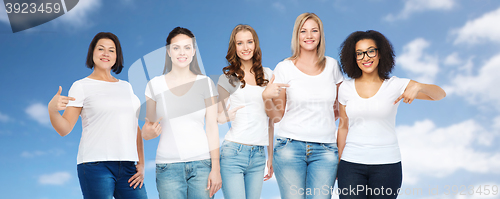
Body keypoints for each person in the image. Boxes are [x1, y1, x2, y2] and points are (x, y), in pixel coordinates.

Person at [337, 30, 446, 199]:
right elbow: (343, 127)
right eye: (359, 53)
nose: (365, 57)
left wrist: (419, 86)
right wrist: (339, 161)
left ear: (380, 53)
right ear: (353, 58)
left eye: (370, 51)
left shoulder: (395, 85)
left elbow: (440, 95)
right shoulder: (345, 87)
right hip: (351, 165)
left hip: (387, 166)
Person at [47, 32, 147, 199]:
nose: (106, 53)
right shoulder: (81, 86)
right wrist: (52, 110)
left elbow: (134, 127)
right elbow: (64, 128)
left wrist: (141, 164)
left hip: (129, 167)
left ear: (117, 56)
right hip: (95, 165)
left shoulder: (127, 87)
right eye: (101, 49)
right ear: (92, 52)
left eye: (111, 50)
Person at [262, 13, 344, 199]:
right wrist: (266, 97)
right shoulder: (284, 68)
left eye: (314, 30)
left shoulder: (332, 66)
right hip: (289, 149)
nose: (309, 36)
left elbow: (339, 110)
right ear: (297, 35)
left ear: (320, 35)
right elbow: (276, 116)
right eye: (303, 31)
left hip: (326, 151)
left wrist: (319, 118)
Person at [141, 27, 222, 199]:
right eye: (176, 48)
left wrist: (216, 169)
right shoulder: (154, 85)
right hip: (167, 167)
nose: (181, 52)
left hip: (202, 165)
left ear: (193, 52)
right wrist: (147, 132)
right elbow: (148, 130)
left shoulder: (206, 83)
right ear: (169, 52)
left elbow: (212, 127)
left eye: (187, 47)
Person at [217, 24, 274, 199]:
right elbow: (217, 117)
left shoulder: (268, 75)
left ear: (255, 44)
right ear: (234, 47)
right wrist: (227, 116)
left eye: (249, 42)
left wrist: (270, 156)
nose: (245, 47)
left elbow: (271, 119)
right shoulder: (227, 78)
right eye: (240, 43)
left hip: (258, 155)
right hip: (233, 152)